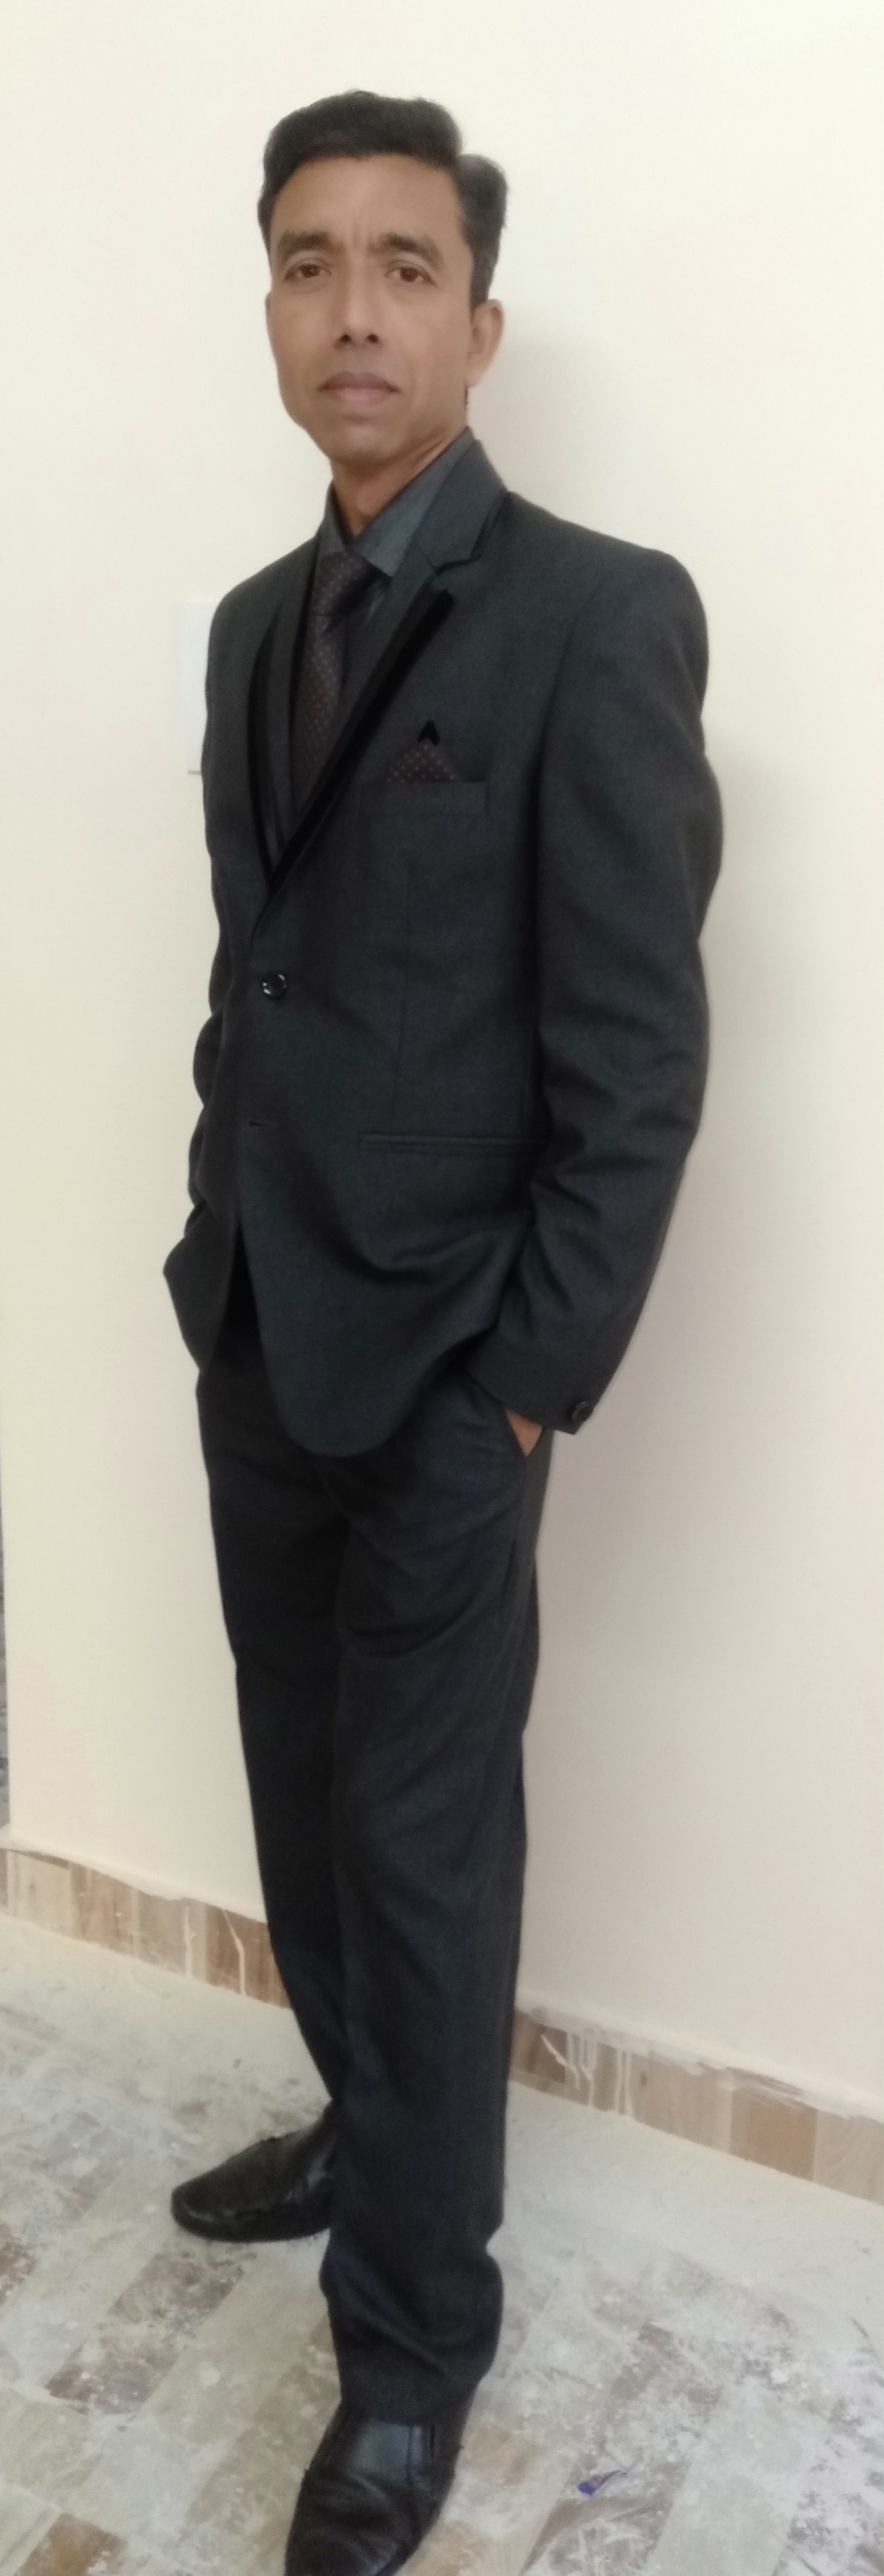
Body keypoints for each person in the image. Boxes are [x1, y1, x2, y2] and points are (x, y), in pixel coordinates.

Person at [162, 86, 723, 2576]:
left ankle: (410, 2350)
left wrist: (524, 1380)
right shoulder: (248, 624)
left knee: (420, 1850)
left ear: (480, 325)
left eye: (406, 266)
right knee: (306, 1814)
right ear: (273, 309)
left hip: (447, 1385)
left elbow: (637, 1060)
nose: (354, 308)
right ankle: (368, 2116)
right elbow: (260, 976)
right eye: (311, 263)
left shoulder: (597, 615)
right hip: (261, 1334)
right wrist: (214, 1234)